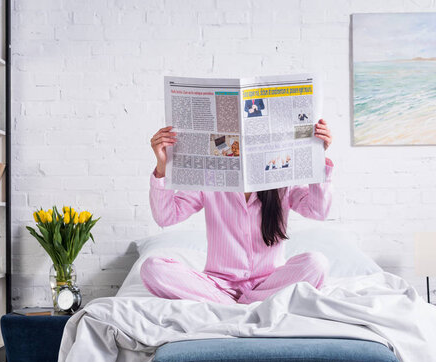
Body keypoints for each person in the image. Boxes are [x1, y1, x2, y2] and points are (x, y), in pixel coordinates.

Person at [141, 119, 334, 304]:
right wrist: (162, 167)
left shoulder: (283, 179)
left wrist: (317, 158)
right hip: (219, 285)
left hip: (269, 284)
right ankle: (239, 304)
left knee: (317, 263)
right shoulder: (209, 178)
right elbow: (166, 216)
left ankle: (234, 304)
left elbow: (318, 211)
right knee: (153, 268)